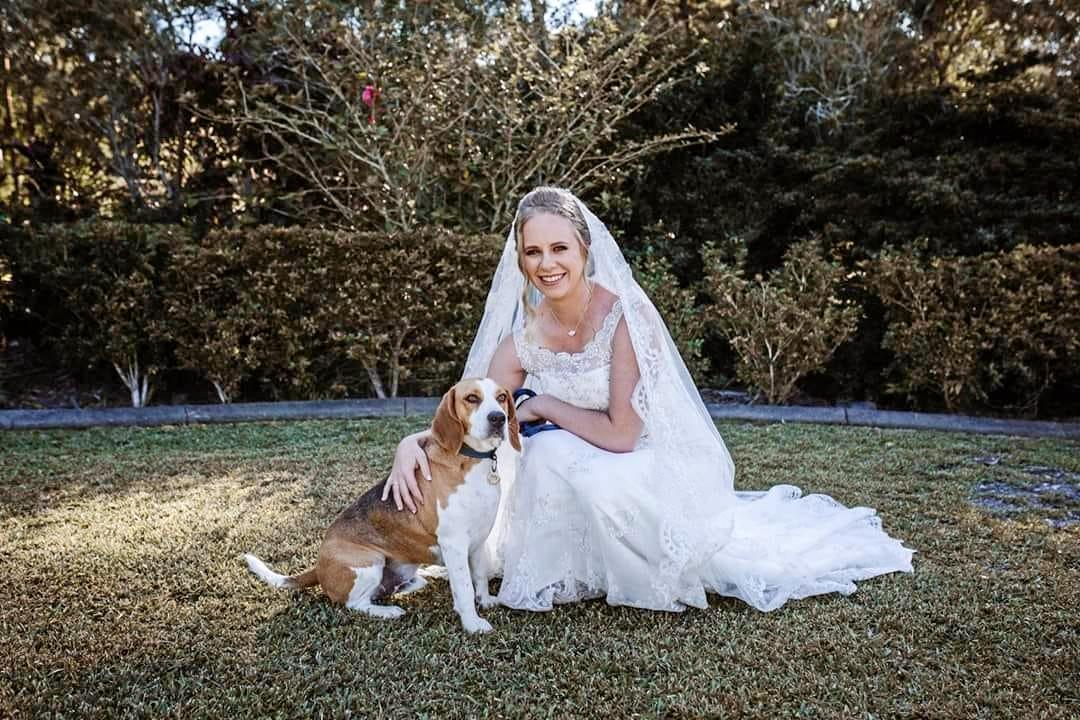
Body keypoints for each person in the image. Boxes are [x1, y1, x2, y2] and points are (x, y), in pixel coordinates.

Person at [383, 186, 914, 612]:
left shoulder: (625, 320)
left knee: (563, 455)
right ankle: (567, 566)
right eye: (533, 251)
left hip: (635, 461)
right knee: (545, 453)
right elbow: (470, 409)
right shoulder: (522, 339)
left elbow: (622, 433)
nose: (547, 263)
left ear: (585, 249)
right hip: (571, 466)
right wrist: (413, 443)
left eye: (559, 247)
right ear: (520, 261)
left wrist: (543, 407)